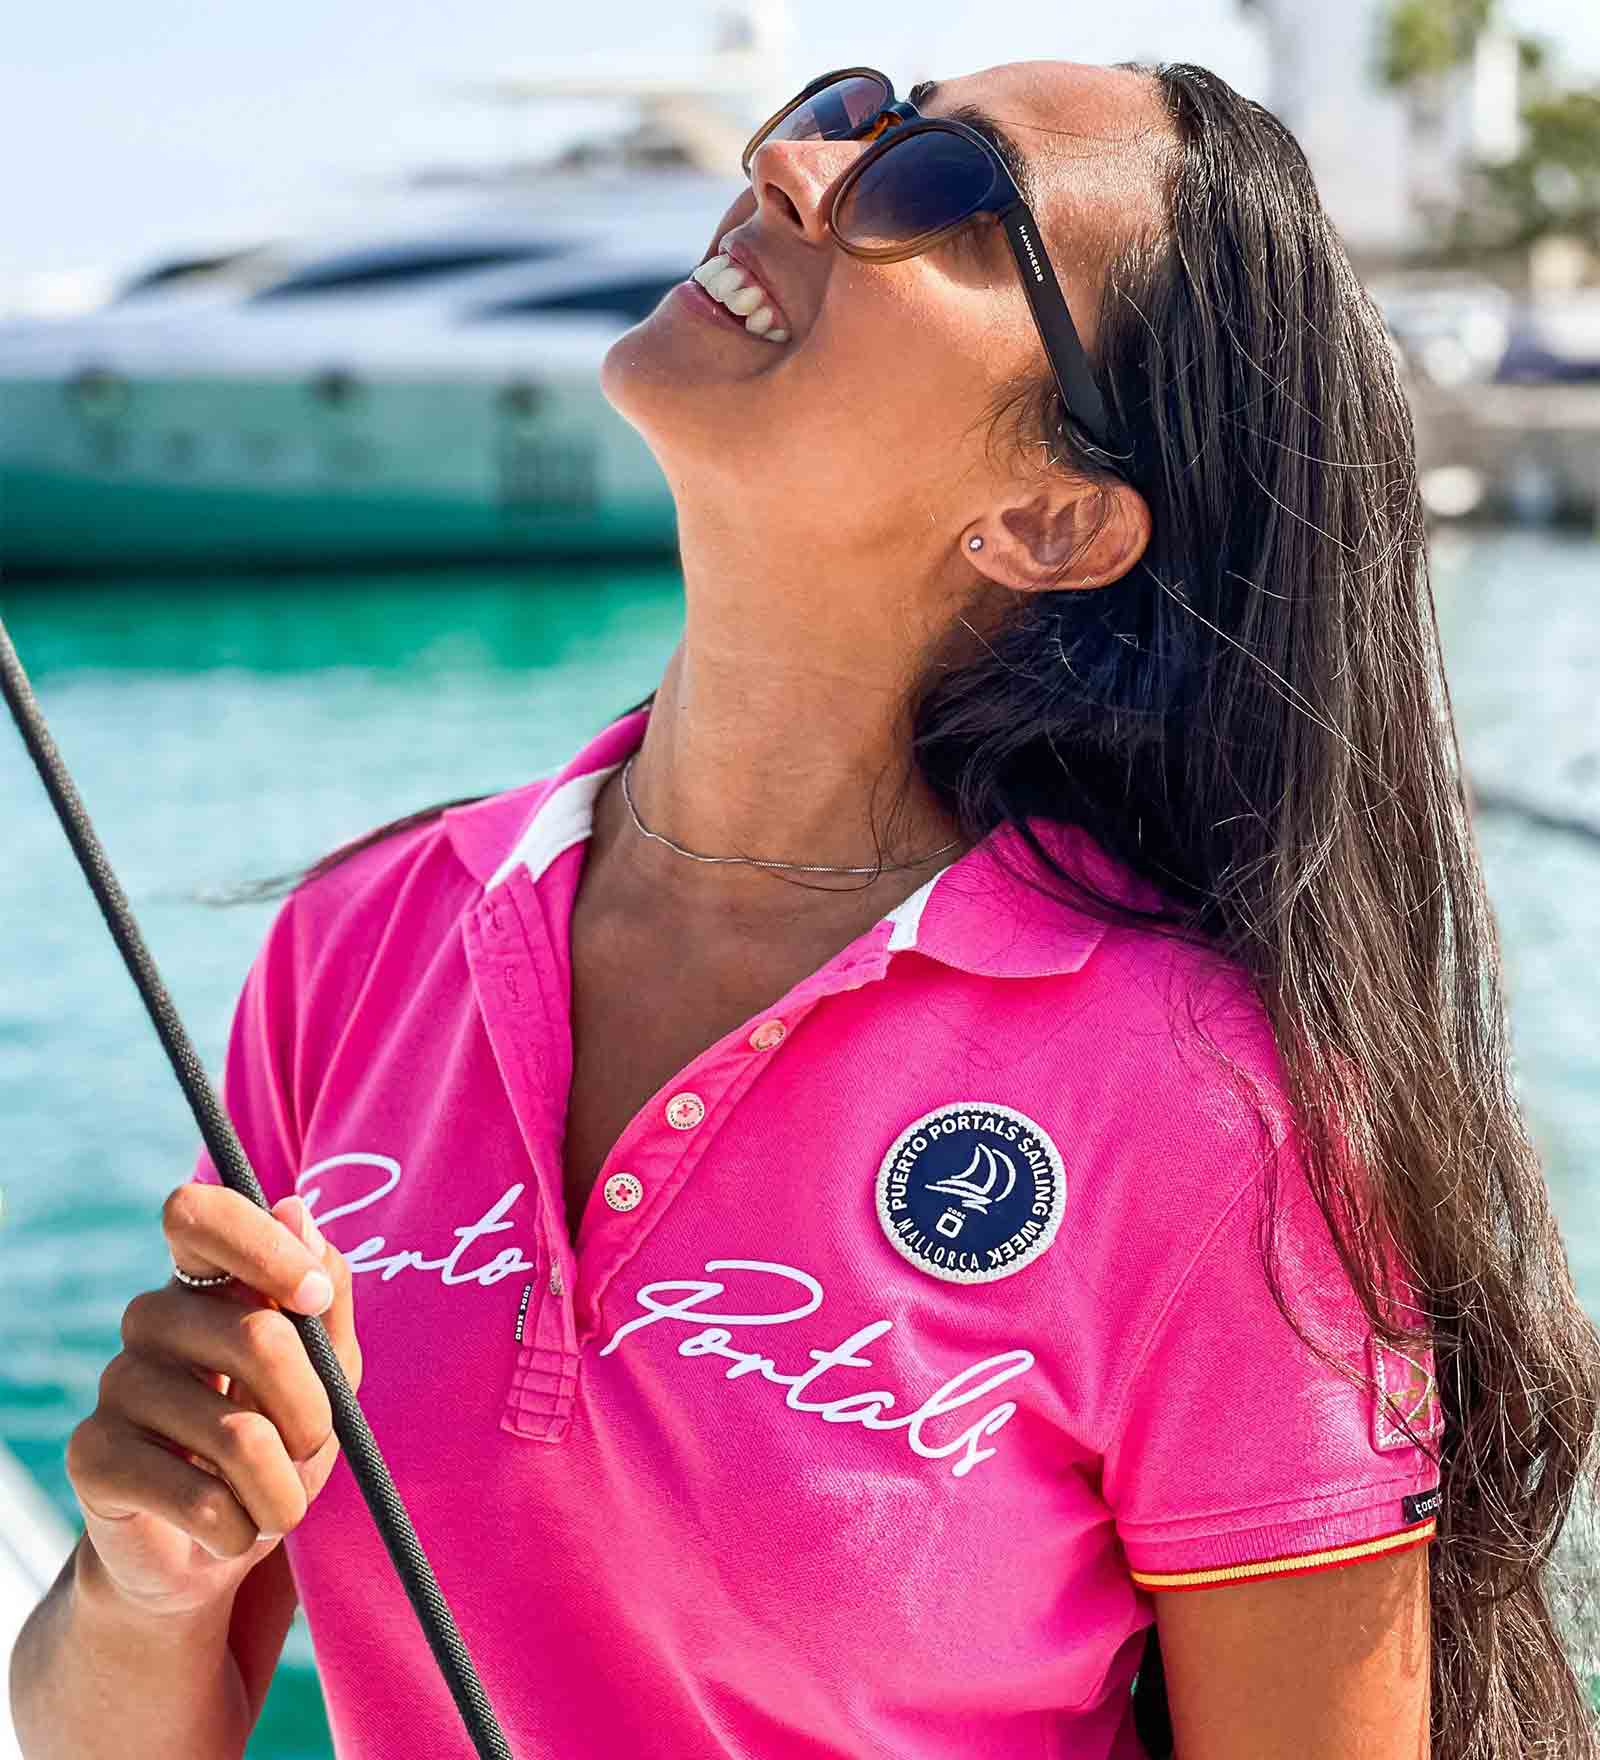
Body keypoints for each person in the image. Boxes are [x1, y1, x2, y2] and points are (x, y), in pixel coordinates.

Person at [14, 57, 1600, 1760]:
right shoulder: (363, 944)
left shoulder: (1213, 1107)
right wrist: (146, 1579)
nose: (792, 162)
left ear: (1051, 520)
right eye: (845, 105)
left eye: (943, 189)